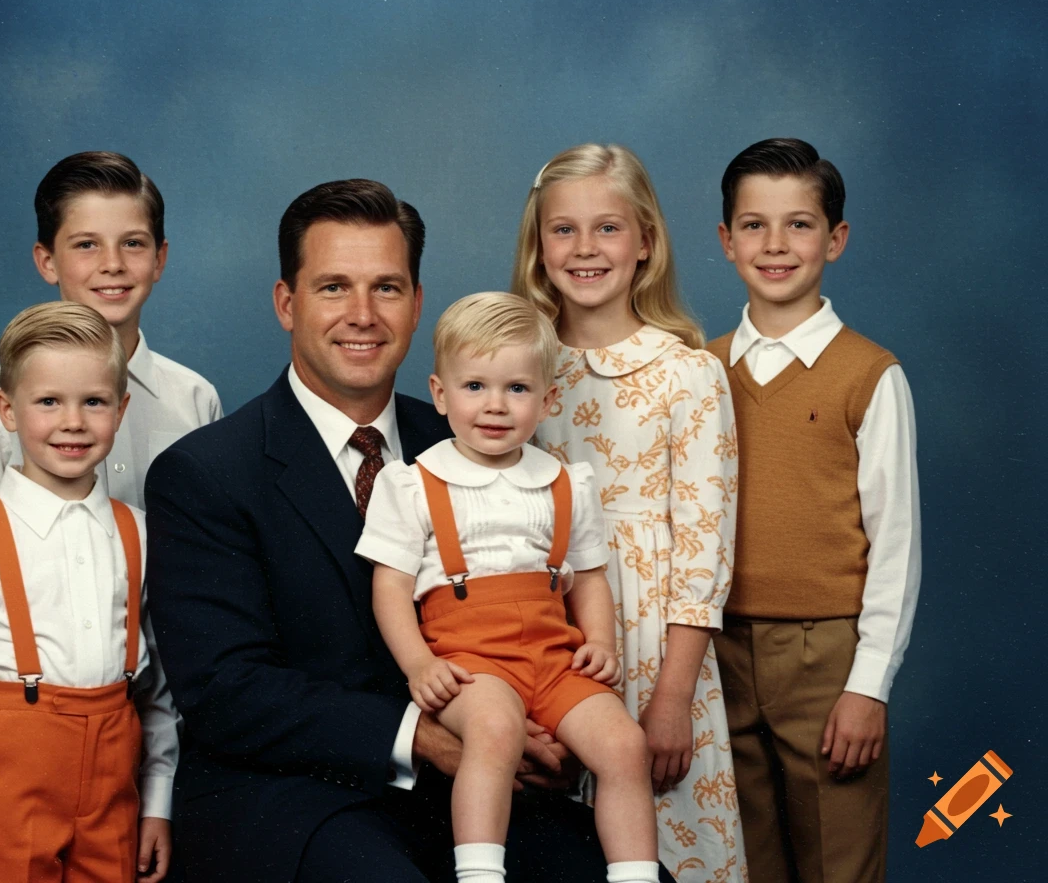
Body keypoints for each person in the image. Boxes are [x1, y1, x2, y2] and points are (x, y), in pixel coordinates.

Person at [144, 179, 611, 882]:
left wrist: (550, 724)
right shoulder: (206, 473)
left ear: (418, 305)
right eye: (333, 287)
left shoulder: (477, 439)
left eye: (387, 288)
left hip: (472, 790)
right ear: (286, 303)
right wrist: (427, 740)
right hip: (296, 798)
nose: (362, 315)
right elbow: (225, 690)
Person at [357, 291, 660, 883]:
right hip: (470, 660)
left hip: (553, 659)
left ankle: (635, 875)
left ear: (547, 399)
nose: (495, 407)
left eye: (517, 389)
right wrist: (419, 665)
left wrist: (599, 641)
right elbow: (390, 589)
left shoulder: (564, 482)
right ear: (441, 394)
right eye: (475, 388)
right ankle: (479, 874)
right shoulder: (414, 483)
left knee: (624, 744)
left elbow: (589, 577)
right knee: (494, 731)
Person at [514, 144, 747, 883]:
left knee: (668, 847)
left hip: (656, 654)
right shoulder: (518, 371)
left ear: (645, 242)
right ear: (538, 247)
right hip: (546, 643)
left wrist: (672, 698)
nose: (585, 249)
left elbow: (704, 553)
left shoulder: (689, 373)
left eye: (607, 229)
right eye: (564, 231)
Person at [0, 301, 180, 883]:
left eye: (94, 401)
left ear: (121, 410)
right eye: (48, 401)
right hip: (9, 783)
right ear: (6, 409)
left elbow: (159, 695)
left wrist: (157, 804)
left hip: (114, 785)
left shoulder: (143, 536)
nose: (72, 421)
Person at [707, 137, 921, 883]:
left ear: (835, 239)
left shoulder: (870, 375)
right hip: (718, 651)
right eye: (755, 225)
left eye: (798, 225)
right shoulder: (700, 372)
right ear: (727, 240)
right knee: (744, 857)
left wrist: (867, 686)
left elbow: (895, 544)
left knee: (836, 860)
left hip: (826, 657)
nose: (775, 245)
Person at [0, 151, 221, 526]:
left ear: (159, 259)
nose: (113, 264)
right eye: (87, 244)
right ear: (47, 261)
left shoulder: (195, 399)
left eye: (133, 243)